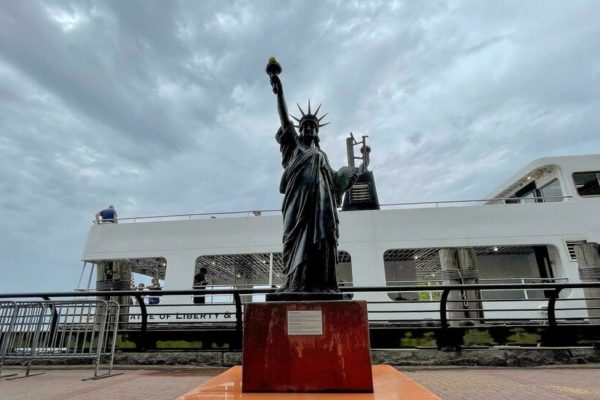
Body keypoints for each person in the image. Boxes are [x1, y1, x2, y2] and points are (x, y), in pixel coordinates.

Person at [268, 62, 357, 294]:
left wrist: (347, 178)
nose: (308, 129)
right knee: (292, 241)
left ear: (317, 131)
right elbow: (285, 119)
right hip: (296, 207)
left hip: (320, 208)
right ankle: (293, 282)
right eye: (305, 126)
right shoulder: (293, 146)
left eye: (312, 127)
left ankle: (321, 284)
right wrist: (280, 91)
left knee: (320, 244)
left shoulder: (321, 155)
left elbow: (333, 181)